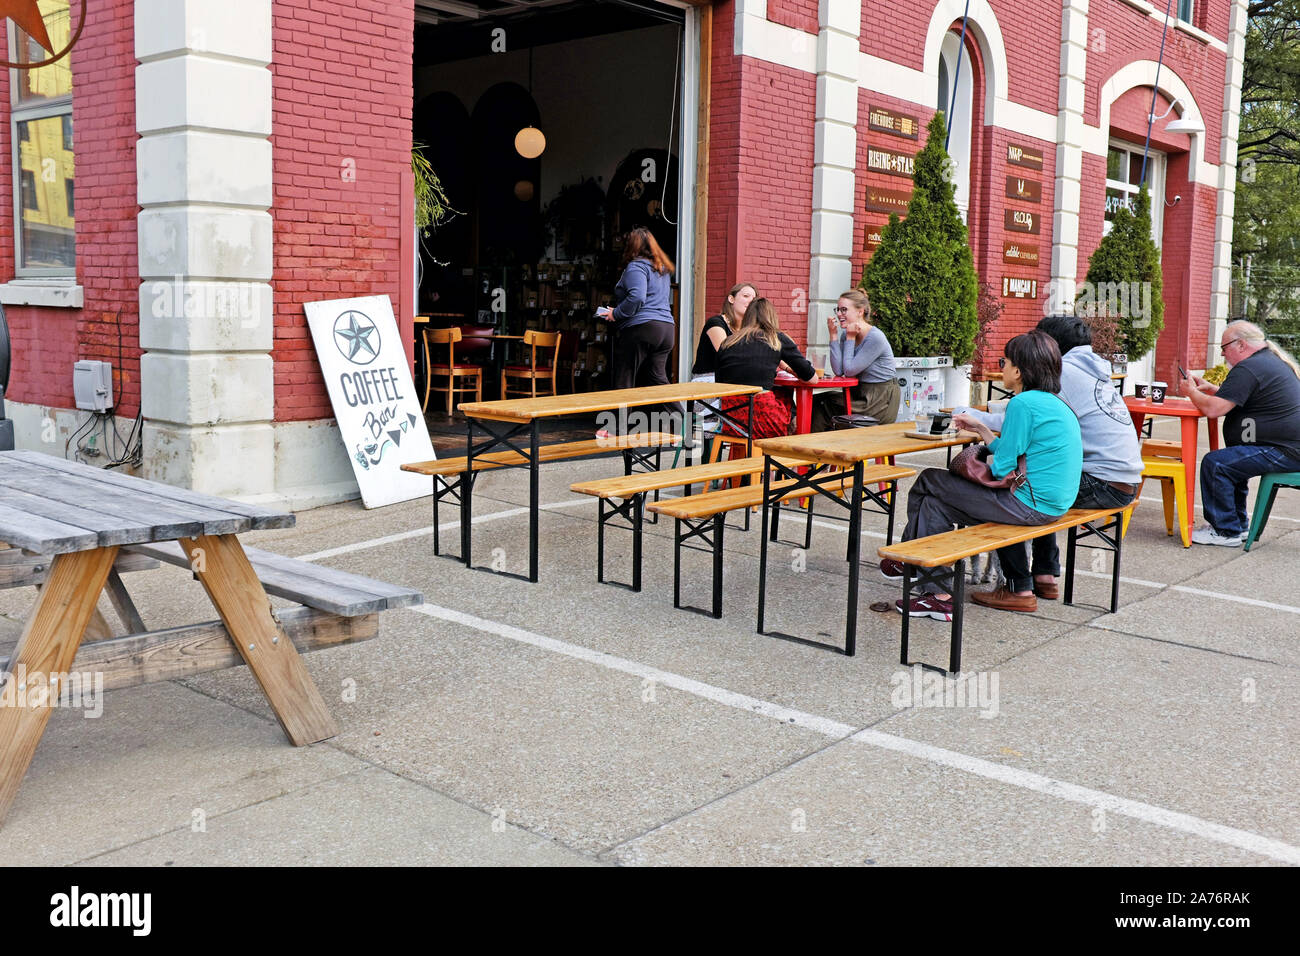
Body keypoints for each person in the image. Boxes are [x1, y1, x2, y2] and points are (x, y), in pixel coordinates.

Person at [881, 331, 1083, 621]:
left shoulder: (1023, 404)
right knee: (934, 504)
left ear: (1018, 370)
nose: (1001, 367)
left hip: (1028, 505)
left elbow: (1002, 469)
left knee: (929, 480)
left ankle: (914, 565)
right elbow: (1016, 454)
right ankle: (934, 592)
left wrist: (976, 457)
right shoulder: (1056, 403)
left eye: (1005, 361)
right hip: (1052, 504)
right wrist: (983, 430)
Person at [967, 314, 1143, 611]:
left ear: (1051, 346)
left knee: (1013, 492)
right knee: (1042, 479)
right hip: (1124, 482)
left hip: (1102, 482)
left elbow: (1022, 417)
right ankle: (1045, 574)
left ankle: (1018, 588)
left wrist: (975, 419)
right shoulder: (1094, 368)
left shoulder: (1065, 372)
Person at [1180, 320, 1300, 546]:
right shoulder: (1266, 362)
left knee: (1217, 464)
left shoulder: (1249, 368)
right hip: (1288, 448)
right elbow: (1238, 398)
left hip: (1286, 450)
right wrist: (1211, 388)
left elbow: (1214, 409)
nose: (1224, 355)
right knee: (1232, 463)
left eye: (1224, 349)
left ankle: (1225, 531)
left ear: (1241, 345)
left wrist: (1191, 392)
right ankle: (1237, 525)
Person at [714, 297, 819, 440]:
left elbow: (719, 383)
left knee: (777, 393)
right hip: (765, 420)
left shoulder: (728, 342)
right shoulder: (777, 339)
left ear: (747, 317)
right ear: (772, 317)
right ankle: (788, 452)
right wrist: (787, 368)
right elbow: (812, 379)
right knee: (786, 394)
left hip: (732, 421)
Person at [810, 289, 899, 431]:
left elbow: (849, 371)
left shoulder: (875, 338)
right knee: (817, 402)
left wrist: (850, 338)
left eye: (844, 310)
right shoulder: (846, 335)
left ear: (860, 312)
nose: (839, 314)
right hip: (859, 394)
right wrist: (833, 335)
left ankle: (818, 449)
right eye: (838, 310)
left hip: (880, 399)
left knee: (823, 404)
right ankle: (818, 449)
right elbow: (839, 371)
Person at [609, 227, 676, 391]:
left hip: (643, 327)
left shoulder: (636, 266)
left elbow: (638, 296)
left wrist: (615, 313)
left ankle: (621, 418)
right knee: (659, 380)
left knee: (624, 379)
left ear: (631, 246)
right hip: (667, 329)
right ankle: (682, 417)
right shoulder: (662, 270)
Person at [691, 282, 758, 381]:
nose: (750, 301)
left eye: (753, 299)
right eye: (746, 296)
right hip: (708, 380)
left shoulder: (749, 328)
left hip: (734, 378)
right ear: (731, 299)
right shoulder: (715, 323)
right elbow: (728, 354)